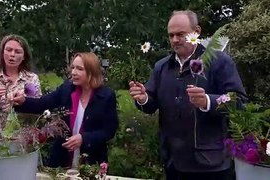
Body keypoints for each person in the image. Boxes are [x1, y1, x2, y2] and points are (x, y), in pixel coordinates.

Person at [129, 10, 246, 180]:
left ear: (196, 32)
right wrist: (143, 98)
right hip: (174, 163)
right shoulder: (162, 67)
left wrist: (208, 101)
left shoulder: (219, 62)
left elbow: (238, 100)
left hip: (211, 166)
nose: (175, 40)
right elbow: (150, 103)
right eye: (171, 35)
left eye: (180, 34)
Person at [12, 52, 119, 168]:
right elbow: (42, 104)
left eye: (79, 69)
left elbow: (109, 131)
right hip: (62, 160)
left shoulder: (106, 96)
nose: (73, 72)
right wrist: (22, 101)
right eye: (72, 67)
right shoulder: (67, 89)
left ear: (91, 72)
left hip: (92, 161)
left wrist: (84, 138)